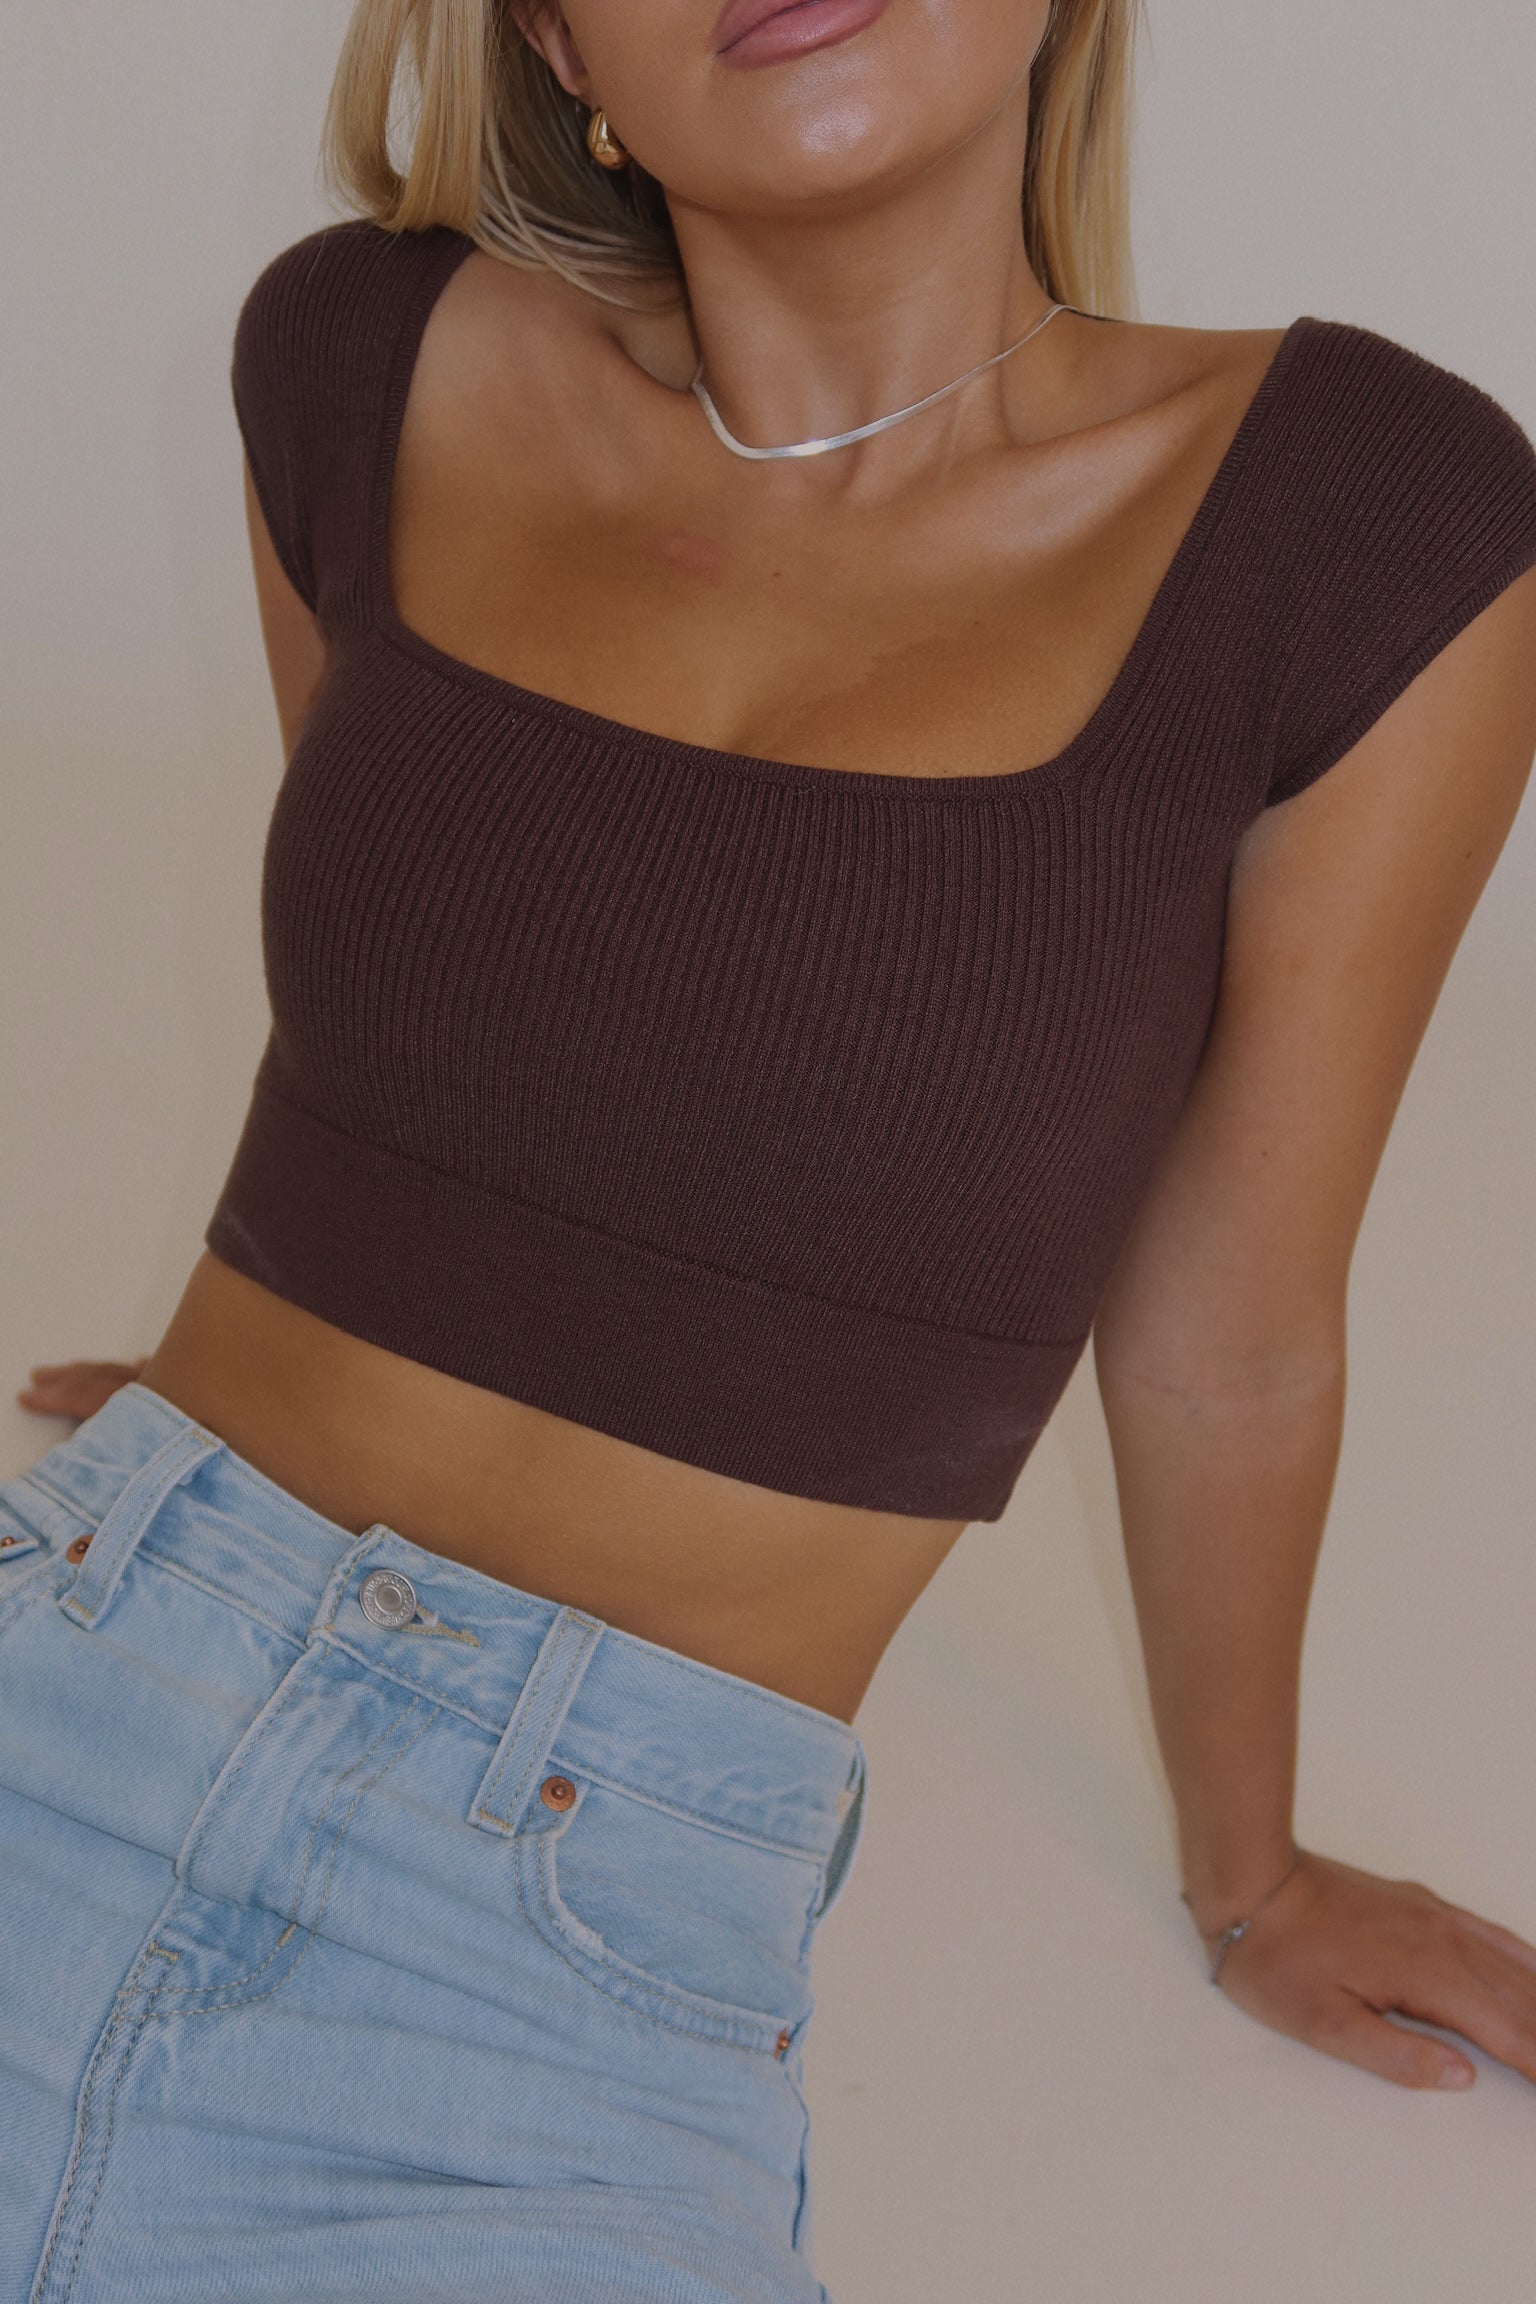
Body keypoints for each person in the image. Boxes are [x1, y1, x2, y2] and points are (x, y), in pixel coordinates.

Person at [6, 0, 1536, 2296]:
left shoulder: (1364, 525)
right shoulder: (362, 359)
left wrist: (1254, 1877)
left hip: (563, 1943)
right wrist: (238, 1435)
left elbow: (1230, 1332)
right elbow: (420, 1036)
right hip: (90, 1647)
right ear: (556, 40)